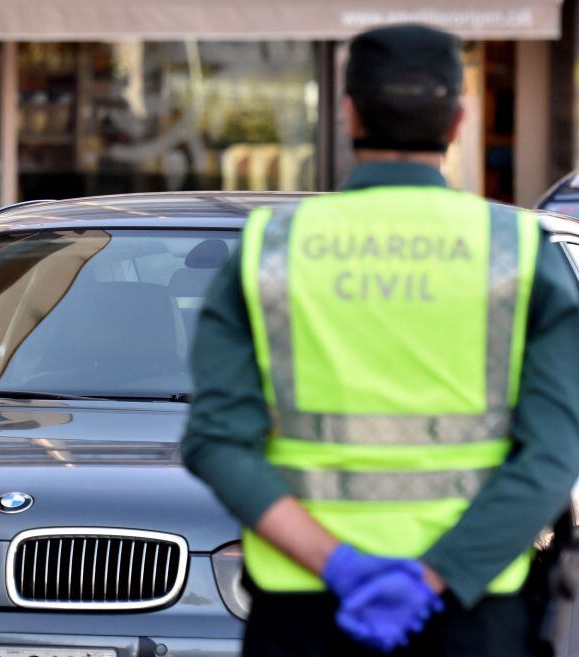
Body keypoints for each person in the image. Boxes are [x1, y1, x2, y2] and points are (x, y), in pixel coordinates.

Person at [181, 24, 579, 656]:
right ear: (458, 119)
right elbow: (553, 460)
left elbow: (216, 444)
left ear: (347, 113)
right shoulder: (518, 255)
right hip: (472, 617)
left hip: (306, 613)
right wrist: (432, 578)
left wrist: (342, 566)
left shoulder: (269, 251)